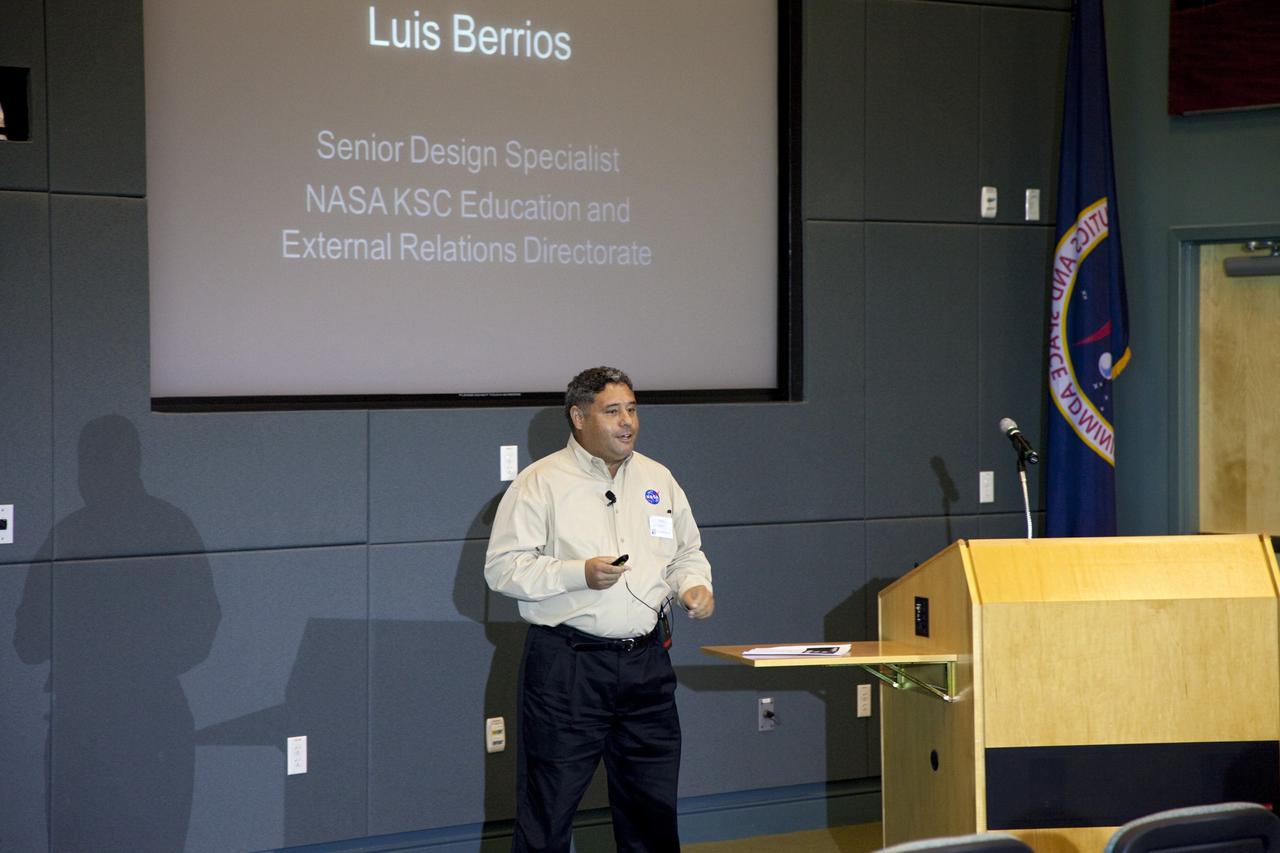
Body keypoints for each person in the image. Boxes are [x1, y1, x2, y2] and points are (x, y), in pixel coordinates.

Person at [485, 366, 714, 852]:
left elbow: (685, 553)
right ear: (578, 417)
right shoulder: (540, 482)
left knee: (652, 812)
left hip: (647, 668)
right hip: (568, 668)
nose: (627, 422)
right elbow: (502, 569)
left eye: (632, 409)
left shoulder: (659, 478)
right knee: (548, 812)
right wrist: (578, 573)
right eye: (612, 411)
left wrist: (693, 585)